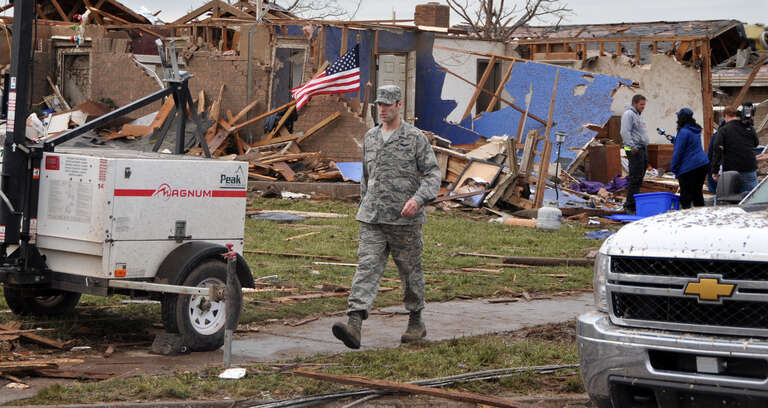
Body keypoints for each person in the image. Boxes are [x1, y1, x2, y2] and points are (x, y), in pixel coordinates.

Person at [331, 85, 441, 349]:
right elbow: (366, 179)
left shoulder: (414, 138)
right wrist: (365, 202)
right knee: (366, 268)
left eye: (388, 105)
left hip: (405, 221)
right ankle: (354, 324)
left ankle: (416, 321)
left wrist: (417, 199)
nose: (382, 109)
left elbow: (433, 176)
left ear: (399, 105)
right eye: (379, 104)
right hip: (373, 218)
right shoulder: (370, 137)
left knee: (410, 273)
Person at [710, 106, 759, 193]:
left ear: (725, 115)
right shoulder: (749, 127)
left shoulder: (723, 130)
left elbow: (717, 151)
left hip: (731, 170)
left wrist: (715, 171)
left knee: (728, 198)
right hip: (749, 167)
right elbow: (756, 143)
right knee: (752, 197)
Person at [669, 108, 709, 209]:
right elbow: (689, 144)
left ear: (682, 118)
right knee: (697, 193)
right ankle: (701, 215)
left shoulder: (683, 132)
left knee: (686, 195)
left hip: (690, 167)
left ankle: (686, 216)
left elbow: (678, 152)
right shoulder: (694, 129)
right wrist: (675, 140)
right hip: (702, 164)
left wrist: (673, 167)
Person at [621, 94, 649, 214]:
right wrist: (632, 147)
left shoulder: (638, 116)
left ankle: (634, 203)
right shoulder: (629, 114)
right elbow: (624, 132)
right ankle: (629, 205)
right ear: (634, 103)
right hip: (634, 149)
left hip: (642, 148)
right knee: (635, 177)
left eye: (644, 105)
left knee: (639, 178)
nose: (643, 107)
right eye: (641, 104)